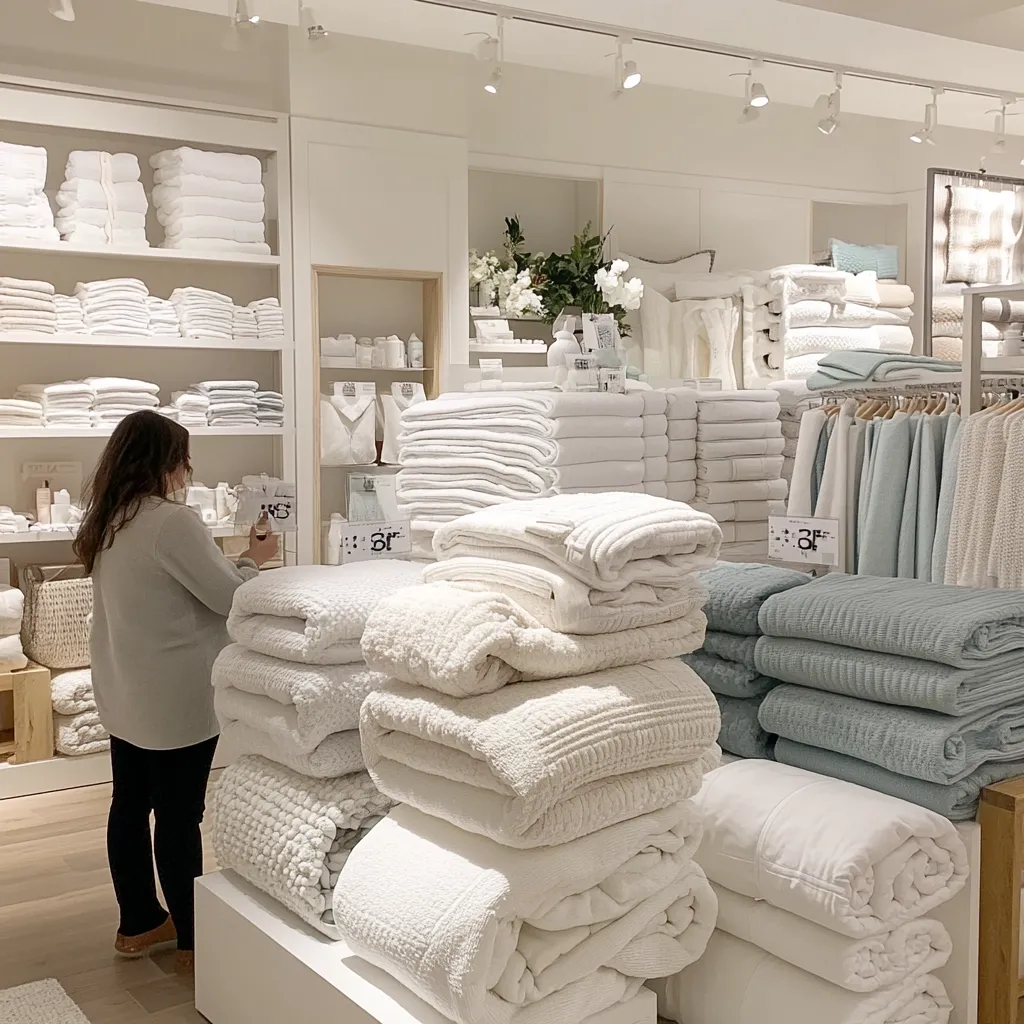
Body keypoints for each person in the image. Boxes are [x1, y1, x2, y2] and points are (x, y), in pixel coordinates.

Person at [73, 410, 278, 974]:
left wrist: (238, 562)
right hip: (175, 699)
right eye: (184, 456)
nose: (189, 467)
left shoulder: (110, 517)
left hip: (125, 690)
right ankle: (193, 937)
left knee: (130, 807)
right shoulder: (172, 521)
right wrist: (254, 562)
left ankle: (139, 922)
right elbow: (225, 598)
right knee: (180, 816)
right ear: (166, 461)